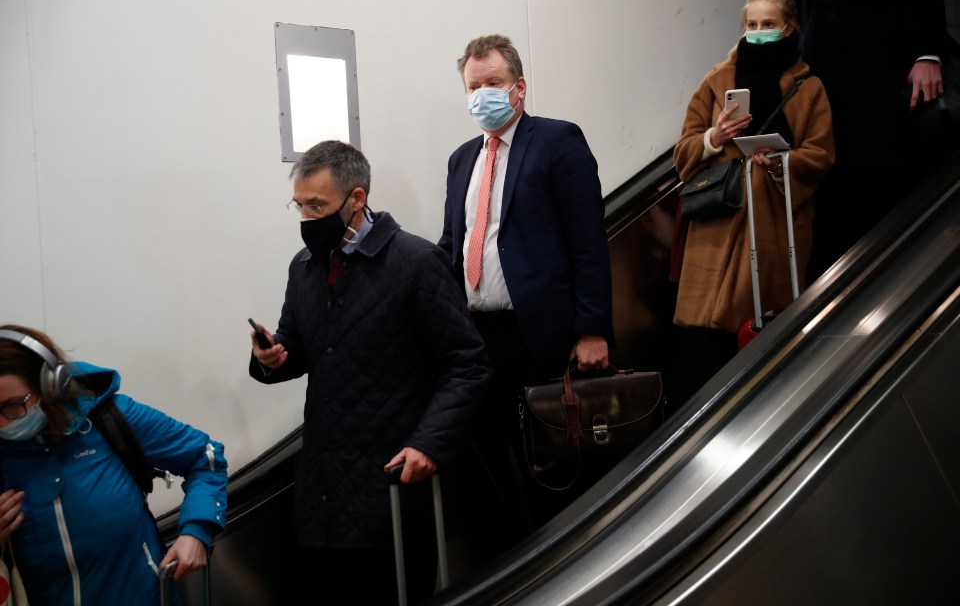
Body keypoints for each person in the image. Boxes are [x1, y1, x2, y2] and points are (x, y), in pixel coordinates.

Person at [248, 140, 489, 604]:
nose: (306, 220)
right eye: (299, 207)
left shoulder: (417, 263)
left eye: (317, 206)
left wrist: (429, 443)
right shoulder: (304, 268)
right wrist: (273, 357)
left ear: (356, 199)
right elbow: (298, 346)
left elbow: (467, 363)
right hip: (325, 493)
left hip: (395, 491)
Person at [438, 34, 615, 553]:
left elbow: (588, 240)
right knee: (493, 472)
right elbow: (456, 243)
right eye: (473, 87)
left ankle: (570, 565)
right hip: (476, 341)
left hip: (544, 338)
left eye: (492, 83)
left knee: (554, 469)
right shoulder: (460, 160)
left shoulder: (558, 141)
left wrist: (592, 328)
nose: (482, 95)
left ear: (518, 88)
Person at [673, 0, 835, 383]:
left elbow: (821, 155)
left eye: (768, 24)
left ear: (789, 27)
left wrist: (780, 161)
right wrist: (715, 137)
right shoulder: (716, 81)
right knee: (706, 348)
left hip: (774, 230)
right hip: (716, 225)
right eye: (751, 24)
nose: (758, 31)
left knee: (762, 338)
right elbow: (683, 151)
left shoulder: (808, 87)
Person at [0, 324, 227, 606]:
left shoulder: (109, 418)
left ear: (50, 386)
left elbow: (204, 457)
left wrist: (197, 531)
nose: (4, 422)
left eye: (13, 406)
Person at [775, 0, 950, 280]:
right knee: (831, 172)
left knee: (884, 167)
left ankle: (902, 277)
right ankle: (838, 290)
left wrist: (928, 54)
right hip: (823, 52)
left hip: (882, 48)